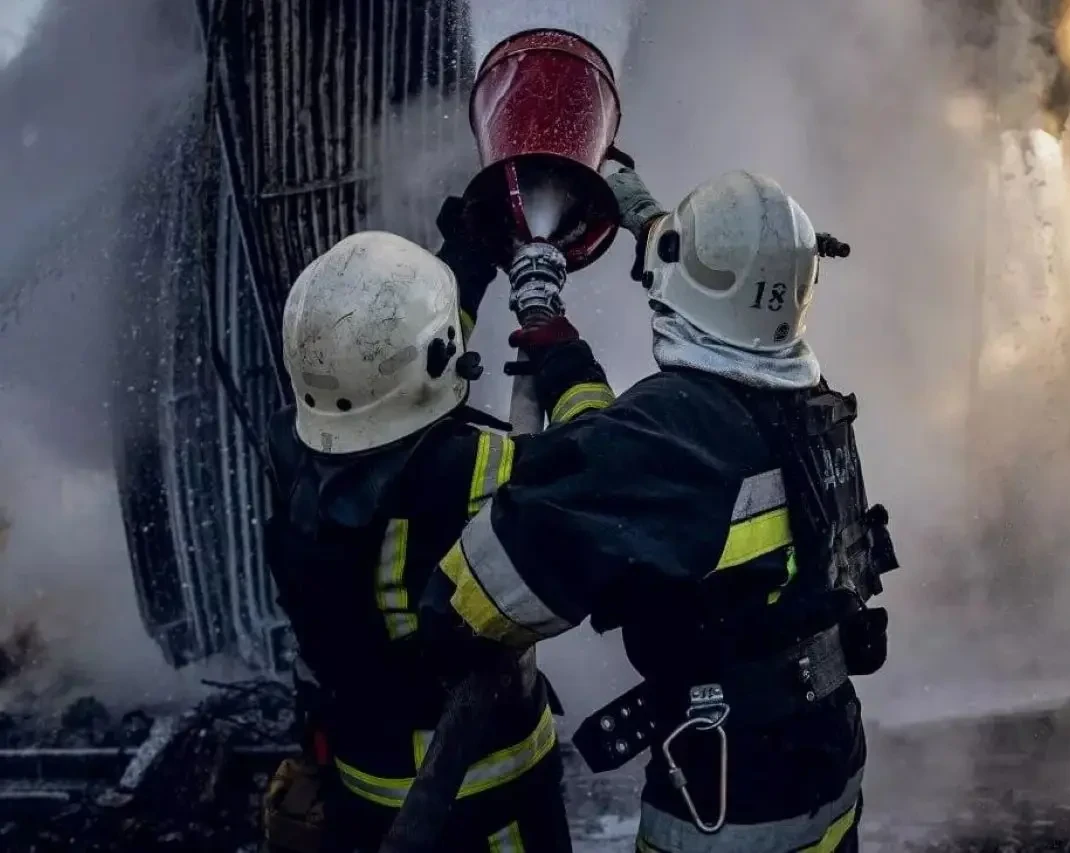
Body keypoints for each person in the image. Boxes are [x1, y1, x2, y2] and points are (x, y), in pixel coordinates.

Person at [418, 167, 900, 852]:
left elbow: (475, 599)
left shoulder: (670, 432)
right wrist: (567, 354)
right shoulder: (806, 400)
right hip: (825, 756)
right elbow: (629, 455)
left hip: (727, 803)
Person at [260, 203, 615, 853]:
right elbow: (605, 467)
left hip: (360, 786)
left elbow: (391, 364)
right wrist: (564, 358)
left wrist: (470, 256)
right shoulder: (466, 470)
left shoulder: (294, 446)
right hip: (484, 802)